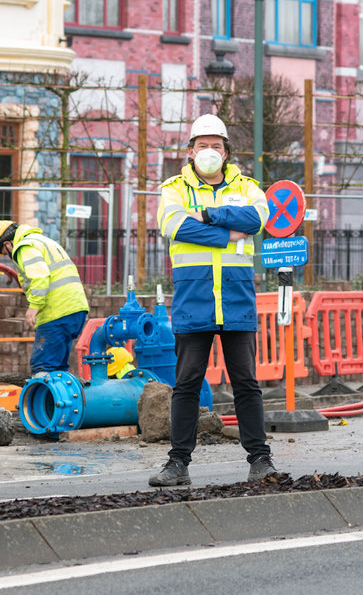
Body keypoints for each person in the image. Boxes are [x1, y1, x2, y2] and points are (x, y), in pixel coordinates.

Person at [148, 113, 276, 487]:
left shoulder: (249, 186)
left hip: (236, 298)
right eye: (201, 145)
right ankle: (178, 463)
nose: (208, 151)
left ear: (226, 152)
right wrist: (227, 234)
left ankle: (260, 460)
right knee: (186, 384)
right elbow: (174, 225)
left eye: (215, 146)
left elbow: (257, 218)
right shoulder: (173, 189)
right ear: (189, 151)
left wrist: (206, 215)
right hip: (194, 299)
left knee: (246, 384)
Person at [0, 220, 89, 375]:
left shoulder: (24, 247)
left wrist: (33, 307)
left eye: (5, 252)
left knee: (43, 367)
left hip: (56, 312)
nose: (8, 256)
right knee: (58, 367)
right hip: (75, 310)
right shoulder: (43, 241)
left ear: (7, 243)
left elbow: (40, 276)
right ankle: (60, 398)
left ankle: (43, 398)